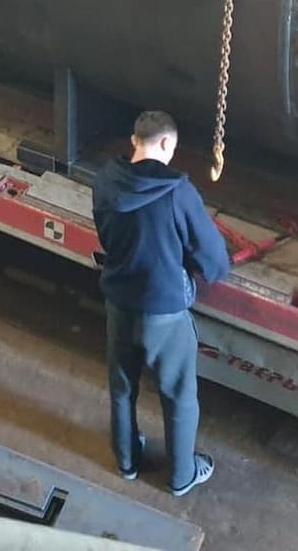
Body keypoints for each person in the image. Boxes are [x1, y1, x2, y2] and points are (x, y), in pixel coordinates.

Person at [92, 109, 230, 497]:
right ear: (167, 144)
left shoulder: (105, 179)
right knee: (179, 397)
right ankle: (181, 476)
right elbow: (212, 260)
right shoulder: (178, 192)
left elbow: (106, 233)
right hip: (164, 315)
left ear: (135, 141)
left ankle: (127, 461)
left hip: (119, 303)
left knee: (121, 388)